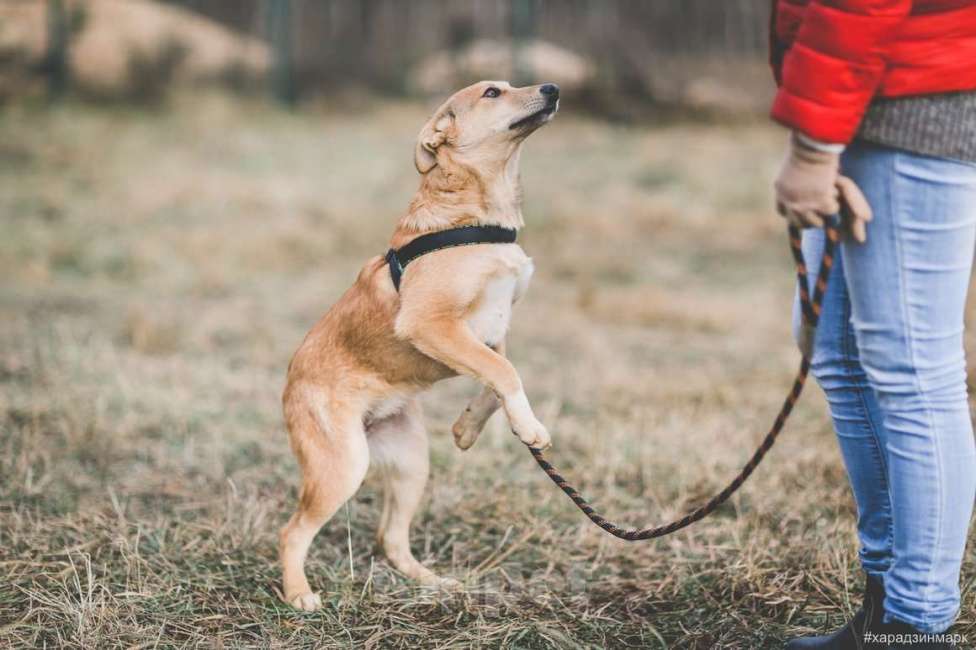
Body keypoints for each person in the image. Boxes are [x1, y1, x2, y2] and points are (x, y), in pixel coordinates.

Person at [769, 0, 976, 648]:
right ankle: (885, 603)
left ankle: (916, 624)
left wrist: (812, 146)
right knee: (838, 351)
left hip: (915, 101)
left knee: (915, 371)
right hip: (865, 98)